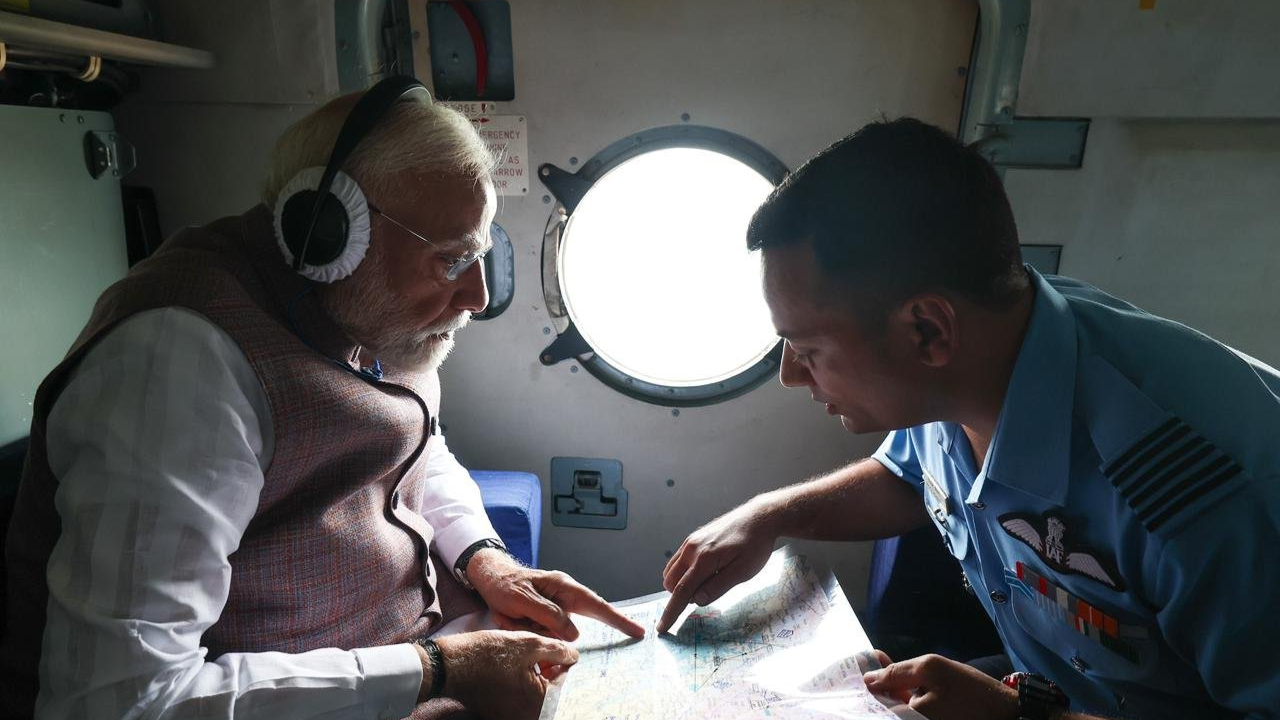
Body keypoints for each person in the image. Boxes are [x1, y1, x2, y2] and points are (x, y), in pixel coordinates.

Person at [0, 77, 642, 720]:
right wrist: (441, 670)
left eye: (480, 254)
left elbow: (418, 446)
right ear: (333, 233)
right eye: (451, 260)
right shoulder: (176, 367)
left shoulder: (374, 311)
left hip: (397, 657)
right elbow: (115, 701)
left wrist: (483, 559)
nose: (477, 296)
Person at [658, 118, 1280, 720]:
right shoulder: (979, 353)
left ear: (927, 329)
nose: (793, 374)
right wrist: (771, 516)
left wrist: (1016, 716)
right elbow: (910, 480)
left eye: (810, 349)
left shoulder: (1198, 497)